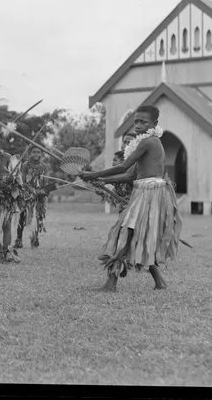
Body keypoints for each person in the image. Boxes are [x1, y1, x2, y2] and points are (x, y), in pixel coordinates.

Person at [80, 105, 182, 291]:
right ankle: (160, 282)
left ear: (154, 124)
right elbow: (130, 175)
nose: (138, 125)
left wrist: (94, 175)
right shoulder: (147, 142)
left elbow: (123, 166)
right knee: (134, 234)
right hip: (146, 191)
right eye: (136, 121)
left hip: (149, 193)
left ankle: (111, 284)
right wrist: (103, 179)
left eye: (143, 122)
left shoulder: (148, 142)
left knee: (124, 233)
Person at [14, 147, 53, 249]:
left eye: (38, 152)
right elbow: (23, 181)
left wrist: (44, 191)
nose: (36, 154)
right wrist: (31, 190)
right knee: (22, 217)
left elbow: (46, 182)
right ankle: (19, 240)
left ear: (42, 154)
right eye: (34, 152)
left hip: (40, 196)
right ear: (29, 153)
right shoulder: (26, 165)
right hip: (27, 195)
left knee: (38, 218)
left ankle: (35, 239)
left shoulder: (45, 166)